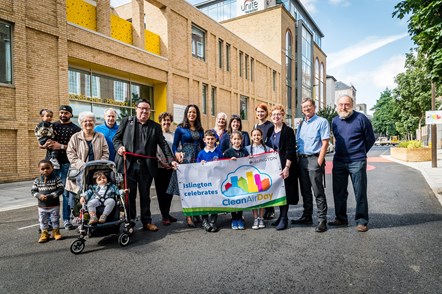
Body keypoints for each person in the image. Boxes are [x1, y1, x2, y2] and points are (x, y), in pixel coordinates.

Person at [114, 99, 177, 232]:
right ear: (136, 109)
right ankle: (130, 221)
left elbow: (163, 144)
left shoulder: (155, 126)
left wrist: (171, 160)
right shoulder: (127, 121)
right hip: (129, 164)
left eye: (147, 109)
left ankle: (146, 221)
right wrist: (119, 147)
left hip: (147, 166)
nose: (144, 111)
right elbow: (116, 139)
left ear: (150, 111)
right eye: (142, 108)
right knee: (130, 195)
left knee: (145, 195)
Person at [329, 95, 375, 232]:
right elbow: (336, 139)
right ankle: (341, 218)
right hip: (339, 161)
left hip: (357, 161)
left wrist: (360, 152)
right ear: (337, 106)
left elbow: (370, 139)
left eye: (347, 104)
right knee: (339, 191)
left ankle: (362, 221)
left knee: (360, 192)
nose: (343, 107)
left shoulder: (361, 119)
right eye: (341, 104)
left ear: (352, 105)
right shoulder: (335, 121)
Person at [292, 98, 330, 233]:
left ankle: (322, 220)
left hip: (314, 159)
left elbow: (325, 143)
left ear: (314, 107)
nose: (306, 109)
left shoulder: (322, 122)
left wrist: (319, 161)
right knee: (305, 191)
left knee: (318, 191)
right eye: (304, 107)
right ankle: (307, 216)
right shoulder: (301, 123)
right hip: (301, 160)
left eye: (309, 106)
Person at [44, 105, 81, 230]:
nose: (63, 115)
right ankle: (49, 222)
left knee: (65, 193)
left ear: (71, 114)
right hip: (50, 164)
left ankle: (66, 220)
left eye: (65, 113)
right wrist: (44, 144)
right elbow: (42, 141)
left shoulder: (76, 129)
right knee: (50, 191)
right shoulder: (51, 126)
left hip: (66, 164)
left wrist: (60, 146)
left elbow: (76, 149)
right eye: (61, 112)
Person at [65, 111, 110, 210]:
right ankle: (77, 217)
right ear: (81, 123)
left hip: (96, 172)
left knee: (96, 194)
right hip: (80, 171)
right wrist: (82, 165)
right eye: (85, 121)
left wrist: (99, 165)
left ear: (94, 122)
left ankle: (95, 214)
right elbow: (70, 153)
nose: (88, 123)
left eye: (91, 121)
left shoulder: (100, 136)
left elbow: (105, 153)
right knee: (78, 196)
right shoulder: (75, 137)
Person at [170, 104, 205, 228]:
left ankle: (196, 213)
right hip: (186, 159)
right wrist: (176, 153)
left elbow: (203, 144)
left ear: (197, 114)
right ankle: (188, 217)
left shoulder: (200, 129)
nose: (192, 114)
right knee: (187, 189)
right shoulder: (180, 128)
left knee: (196, 188)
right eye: (189, 112)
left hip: (197, 159)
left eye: (194, 112)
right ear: (186, 113)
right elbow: (174, 145)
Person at [266, 104, 299, 230]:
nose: (276, 116)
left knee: (285, 191)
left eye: (278, 114)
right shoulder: (270, 130)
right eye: (274, 114)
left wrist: (287, 168)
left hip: (285, 164)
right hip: (274, 165)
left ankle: (284, 218)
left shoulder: (288, 131)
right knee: (278, 190)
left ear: (283, 115)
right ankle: (281, 216)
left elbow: (291, 150)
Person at [246, 128, 273, 230]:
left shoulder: (267, 149)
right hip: (251, 177)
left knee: (261, 198)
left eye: (258, 135)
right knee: (253, 198)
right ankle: (255, 218)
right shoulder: (247, 149)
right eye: (254, 135)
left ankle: (261, 218)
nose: (256, 137)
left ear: (262, 137)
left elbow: (274, 158)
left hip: (262, 176)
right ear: (251, 137)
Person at [196, 129, 223, 232]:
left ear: (215, 139)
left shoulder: (218, 152)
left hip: (215, 181)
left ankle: (213, 221)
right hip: (204, 182)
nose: (210, 141)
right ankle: (205, 221)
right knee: (204, 200)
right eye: (208, 139)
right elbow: (196, 167)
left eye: (212, 139)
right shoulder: (201, 153)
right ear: (204, 140)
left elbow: (223, 165)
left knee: (214, 200)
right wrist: (200, 164)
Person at [31, 160, 64, 243]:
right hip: (42, 206)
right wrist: (39, 196)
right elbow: (33, 191)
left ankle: (56, 232)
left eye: (48, 168)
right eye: (42, 169)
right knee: (42, 220)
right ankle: (44, 233)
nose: (45, 170)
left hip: (54, 205)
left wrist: (51, 195)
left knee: (55, 219)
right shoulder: (37, 180)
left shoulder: (57, 179)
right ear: (39, 169)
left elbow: (60, 189)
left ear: (52, 168)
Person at [223, 130, 250, 230]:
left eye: (238, 139)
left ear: (242, 140)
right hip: (231, 180)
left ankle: (240, 218)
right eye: (235, 139)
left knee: (241, 198)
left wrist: (249, 159)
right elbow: (222, 165)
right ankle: (234, 218)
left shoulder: (244, 151)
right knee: (233, 199)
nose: (237, 141)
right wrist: (229, 161)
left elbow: (248, 164)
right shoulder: (228, 152)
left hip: (242, 179)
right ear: (231, 140)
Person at [155, 112, 178, 226]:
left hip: (171, 168)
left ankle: (167, 213)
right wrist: (162, 163)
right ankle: (164, 216)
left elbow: (177, 150)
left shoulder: (174, 135)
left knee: (169, 193)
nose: (166, 122)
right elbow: (154, 151)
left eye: (168, 120)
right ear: (160, 122)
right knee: (161, 193)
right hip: (159, 167)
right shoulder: (156, 134)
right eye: (164, 120)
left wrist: (174, 162)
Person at [254, 103, 275, 220]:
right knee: (260, 183)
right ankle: (263, 206)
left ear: (266, 113)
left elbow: (270, 142)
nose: (260, 113)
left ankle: (270, 209)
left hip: (266, 157)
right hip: (257, 157)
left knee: (267, 182)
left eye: (262, 111)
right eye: (258, 111)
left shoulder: (270, 125)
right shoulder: (255, 125)